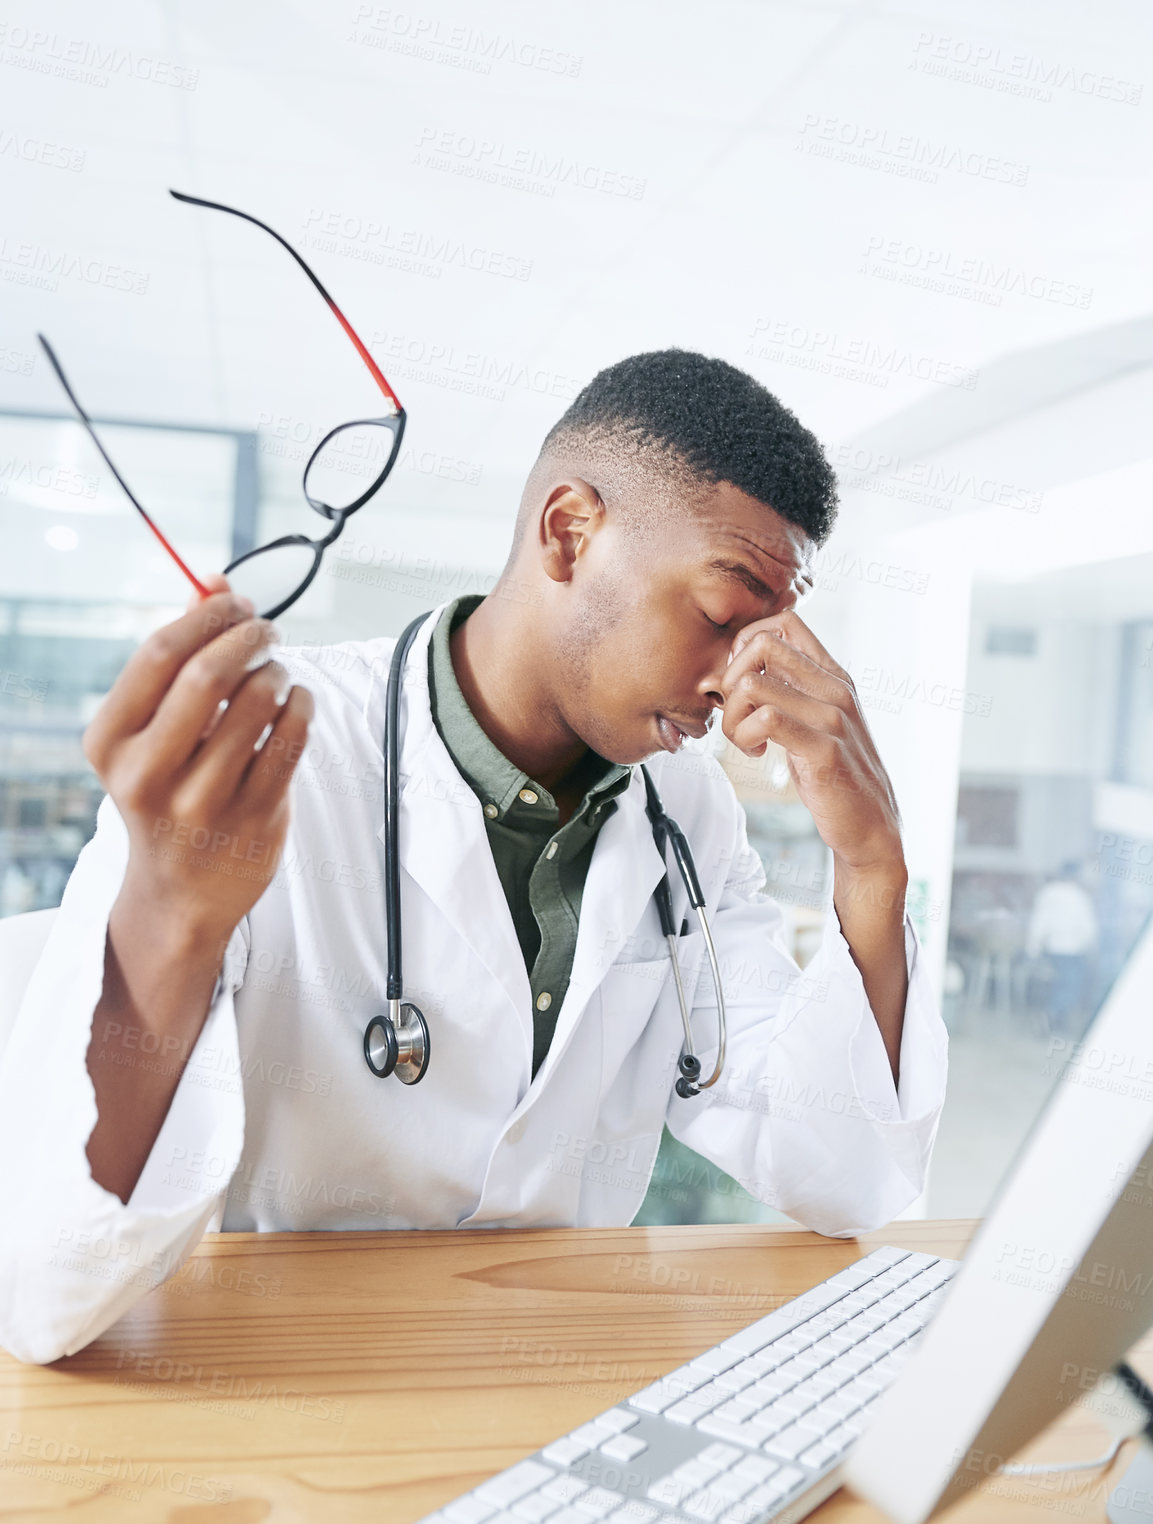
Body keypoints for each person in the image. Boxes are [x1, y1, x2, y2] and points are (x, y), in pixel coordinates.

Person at [0, 349, 947, 1364]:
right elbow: (44, 1289)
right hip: (288, 1388)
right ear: (569, 530)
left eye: (767, 634)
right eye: (722, 616)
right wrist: (172, 922)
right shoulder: (259, 769)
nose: (734, 681)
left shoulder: (686, 810)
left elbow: (845, 1174)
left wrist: (872, 864)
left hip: (556, 1378)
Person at [1025, 861, 1098, 1036]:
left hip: (1051, 948)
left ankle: (1054, 1018)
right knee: (1071, 985)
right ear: (1076, 875)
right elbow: (1088, 927)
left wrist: (1032, 948)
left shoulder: (1048, 892)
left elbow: (1038, 921)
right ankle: (1051, 1014)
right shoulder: (1080, 896)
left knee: (1060, 984)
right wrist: (1091, 946)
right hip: (1072, 950)